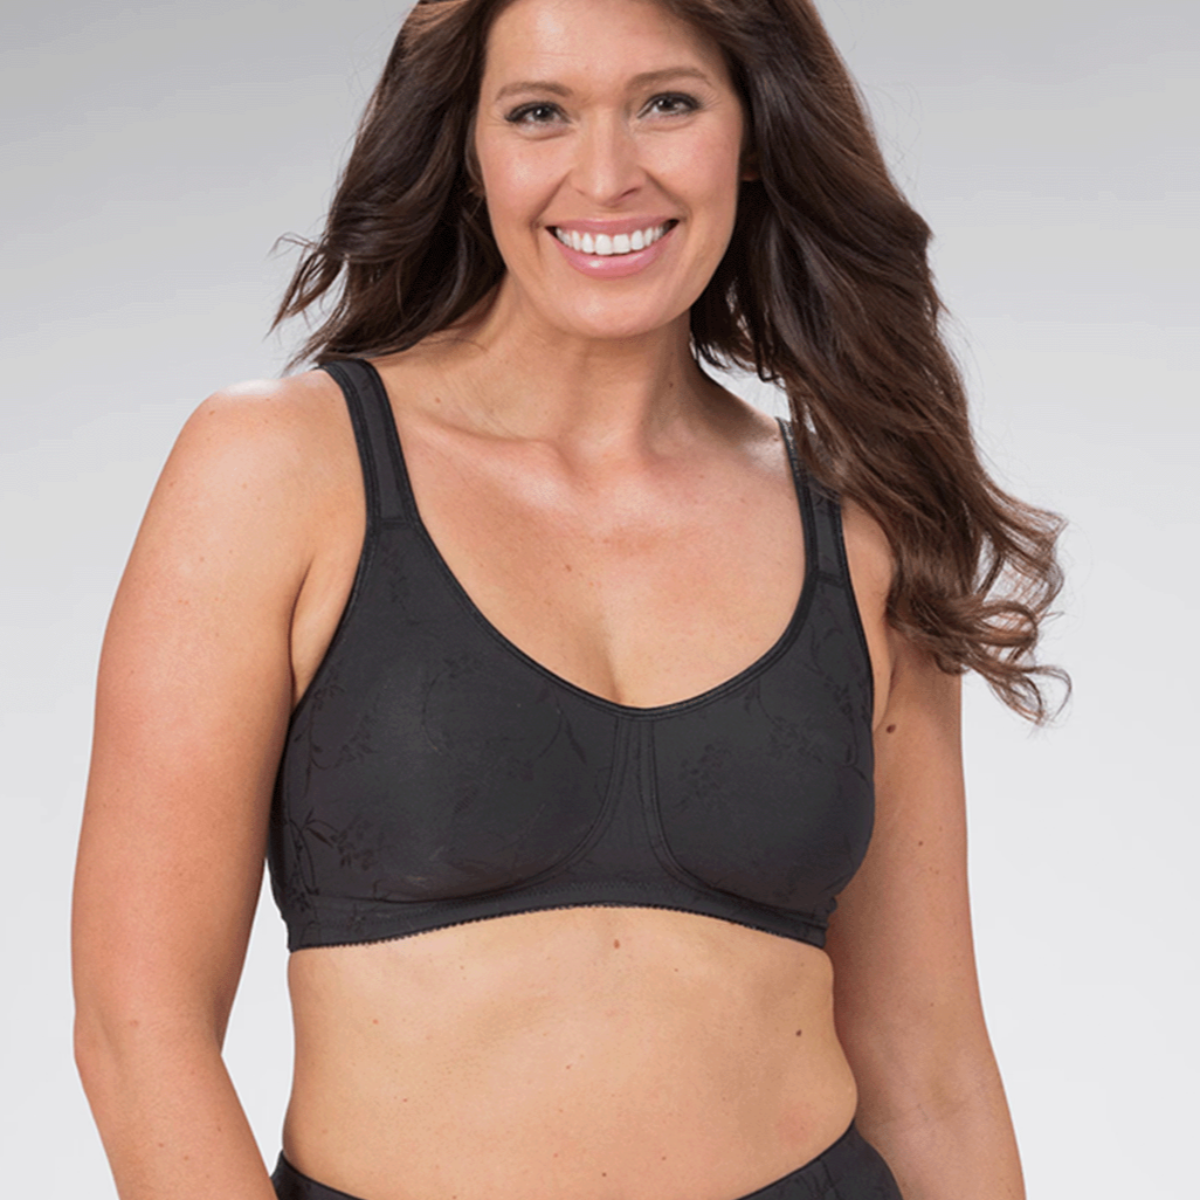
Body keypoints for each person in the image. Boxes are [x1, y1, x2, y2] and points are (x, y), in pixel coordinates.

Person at [72, 0, 1066, 1198]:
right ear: (467, 148)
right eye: (540, 112)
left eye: (668, 103)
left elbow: (930, 1070)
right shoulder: (282, 469)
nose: (606, 175)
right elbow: (139, 1027)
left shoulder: (863, 525)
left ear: (754, 132)